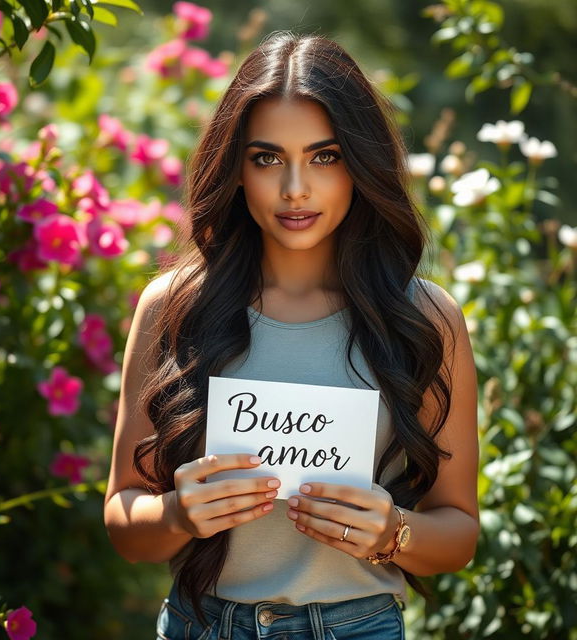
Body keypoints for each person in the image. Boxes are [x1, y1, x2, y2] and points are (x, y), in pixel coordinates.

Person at [104, 31, 479, 640]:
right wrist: (177, 514)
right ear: (237, 168)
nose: (295, 188)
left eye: (325, 157)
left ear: (361, 165)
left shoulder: (425, 318)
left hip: (359, 626)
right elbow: (124, 519)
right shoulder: (173, 307)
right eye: (267, 158)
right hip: (200, 625)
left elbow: (458, 531)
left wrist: (392, 532)